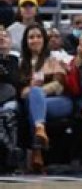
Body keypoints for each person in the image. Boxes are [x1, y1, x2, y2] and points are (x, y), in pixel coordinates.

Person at [18, 23, 73, 172]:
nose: (35, 40)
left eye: (38, 36)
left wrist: (38, 91)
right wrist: (35, 92)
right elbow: (21, 93)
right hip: (33, 104)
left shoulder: (54, 59)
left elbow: (59, 85)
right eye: (31, 37)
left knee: (35, 98)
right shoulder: (21, 63)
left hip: (59, 102)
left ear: (44, 39)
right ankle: (39, 133)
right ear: (26, 41)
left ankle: (36, 150)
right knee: (34, 106)